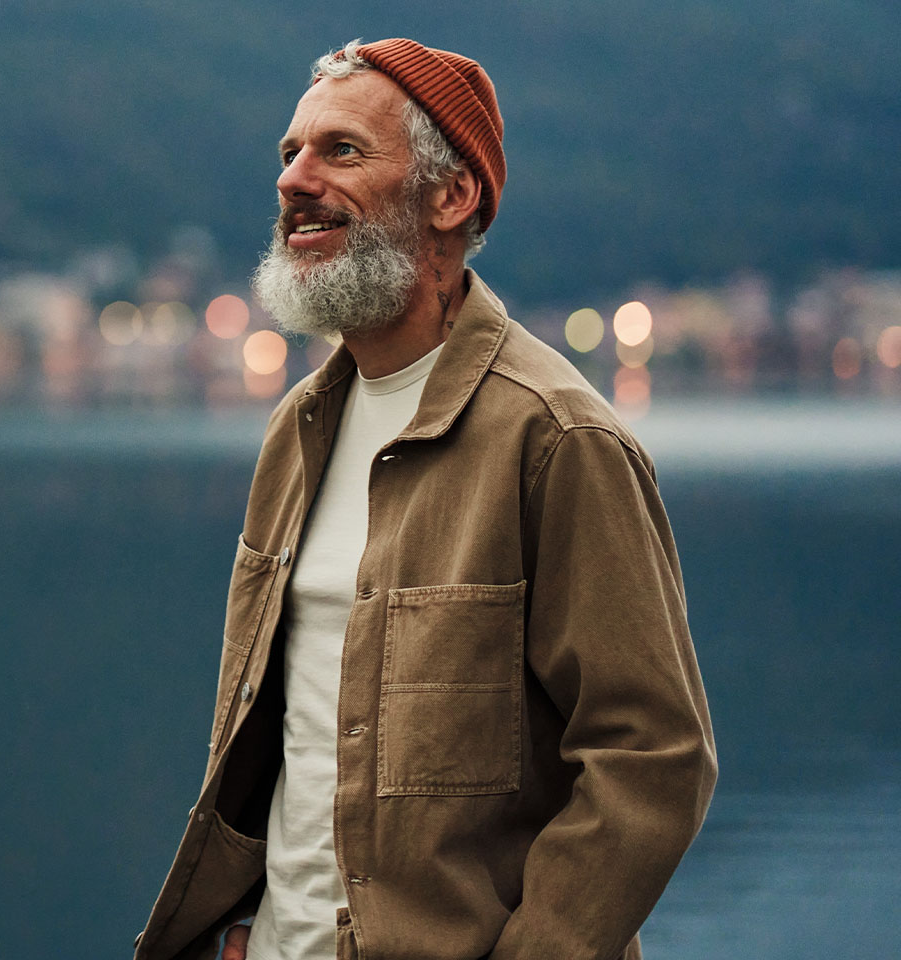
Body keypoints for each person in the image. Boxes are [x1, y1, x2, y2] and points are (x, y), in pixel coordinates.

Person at [133, 38, 717, 960]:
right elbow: (300, 725)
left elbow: (651, 760)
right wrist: (247, 918)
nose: (295, 179)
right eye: (290, 153)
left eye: (342, 152)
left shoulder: (557, 438)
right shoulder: (300, 427)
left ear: (452, 197)